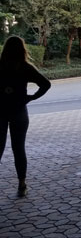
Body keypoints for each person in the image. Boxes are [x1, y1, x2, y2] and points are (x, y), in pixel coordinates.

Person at [0, 36, 51, 197]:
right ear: (22, 50)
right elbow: (46, 84)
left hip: (0, 112)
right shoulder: (25, 67)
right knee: (19, 148)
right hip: (19, 111)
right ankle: (22, 184)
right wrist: (31, 97)